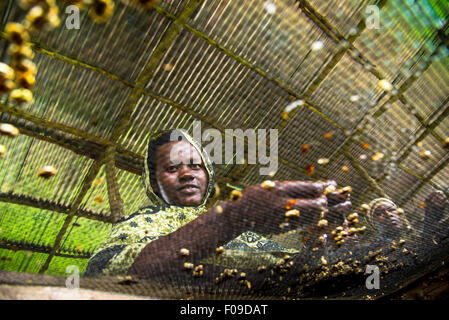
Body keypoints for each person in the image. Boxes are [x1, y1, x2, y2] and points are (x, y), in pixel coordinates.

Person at [84, 129, 350, 278]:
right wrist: (232, 218)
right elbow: (101, 271)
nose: (187, 173)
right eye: (172, 168)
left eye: (195, 166)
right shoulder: (143, 222)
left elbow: (285, 269)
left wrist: (317, 244)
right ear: (155, 183)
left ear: (207, 175)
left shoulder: (242, 230)